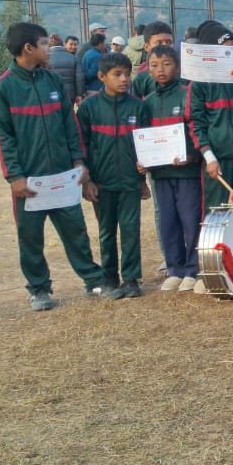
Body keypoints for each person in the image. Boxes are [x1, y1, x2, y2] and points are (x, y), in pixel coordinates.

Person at [0, 23, 107, 310]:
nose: (49, 49)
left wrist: (79, 162)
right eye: (44, 44)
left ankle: (93, 279)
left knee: (76, 230)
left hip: (63, 175)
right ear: (28, 48)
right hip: (29, 180)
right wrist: (15, 177)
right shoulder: (3, 87)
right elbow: (4, 136)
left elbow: (70, 125)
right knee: (30, 237)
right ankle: (39, 289)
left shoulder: (53, 81)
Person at [75, 52, 148, 299]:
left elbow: (144, 147)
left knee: (130, 230)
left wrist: (142, 179)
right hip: (101, 183)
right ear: (101, 77)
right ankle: (109, 276)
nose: (124, 79)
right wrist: (87, 181)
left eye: (127, 74)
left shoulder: (138, 107)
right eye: (117, 74)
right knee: (106, 231)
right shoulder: (88, 108)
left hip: (129, 182)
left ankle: (131, 278)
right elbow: (81, 146)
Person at [139, 43, 202, 292]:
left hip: (187, 172)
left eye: (166, 64)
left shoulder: (188, 94)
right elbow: (143, 136)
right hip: (161, 173)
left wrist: (192, 156)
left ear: (177, 66)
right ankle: (175, 269)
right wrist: (143, 160)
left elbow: (197, 129)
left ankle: (193, 269)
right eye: (154, 65)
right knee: (168, 222)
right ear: (148, 70)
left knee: (191, 220)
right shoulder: (147, 102)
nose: (161, 70)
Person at [186, 21, 233, 217]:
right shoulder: (199, 84)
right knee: (217, 215)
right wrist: (209, 157)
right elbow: (196, 124)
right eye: (225, 50)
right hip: (218, 162)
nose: (231, 55)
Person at [48, 35, 82, 103]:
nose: (73, 47)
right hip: (70, 94)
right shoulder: (74, 58)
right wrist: (79, 94)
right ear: (63, 44)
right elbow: (79, 78)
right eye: (71, 44)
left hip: (52, 93)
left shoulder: (46, 58)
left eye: (75, 44)